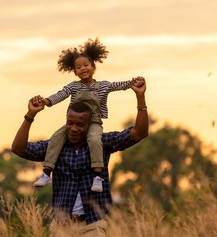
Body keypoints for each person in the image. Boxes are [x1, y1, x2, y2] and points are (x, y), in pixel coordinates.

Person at [11, 77, 148, 237]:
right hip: (62, 227)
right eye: (70, 123)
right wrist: (30, 115)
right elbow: (18, 148)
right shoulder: (55, 147)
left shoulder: (100, 143)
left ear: (89, 125)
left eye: (80, 125)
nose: (74, 128)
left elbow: (139, 132)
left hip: (92, 225)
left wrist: (140, 98)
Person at [33, 38, 143, 192]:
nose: (83, 68)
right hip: (74, 123)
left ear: (93, 67)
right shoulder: (73, 86)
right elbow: (60, 94)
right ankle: (46, 173)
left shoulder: (103, 85)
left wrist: (132, 83)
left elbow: (118, 85)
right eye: (78, 67)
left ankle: (97, 176)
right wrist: (46, 101)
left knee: (94, 139)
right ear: (74, 71)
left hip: (94, 122)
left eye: (86, 65)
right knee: (56, 138)